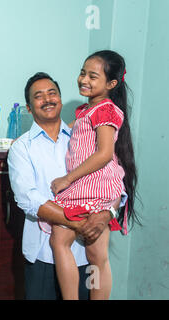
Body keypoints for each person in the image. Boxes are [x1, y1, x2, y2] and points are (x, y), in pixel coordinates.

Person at [7, 72, 121, 300]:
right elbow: (28, 200)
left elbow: (114, 180)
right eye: (38, 96)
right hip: (44, 256)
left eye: (52, 93)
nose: (47, 100)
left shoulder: (85, 136)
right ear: (29, 108)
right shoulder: (22, 148)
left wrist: (106, 214)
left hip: (86, 255)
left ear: (59, 98)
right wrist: (78, 223)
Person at [48, 50, 138, 300]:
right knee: (80, 248)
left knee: (87, 251)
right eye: (82, 72)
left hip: (96, 185)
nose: (84, 79)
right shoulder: (86, 110)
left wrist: (68, 179)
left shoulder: (106, 110)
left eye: (93, 76)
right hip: (86, 186)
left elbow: (105, 154)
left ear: (111, 84)